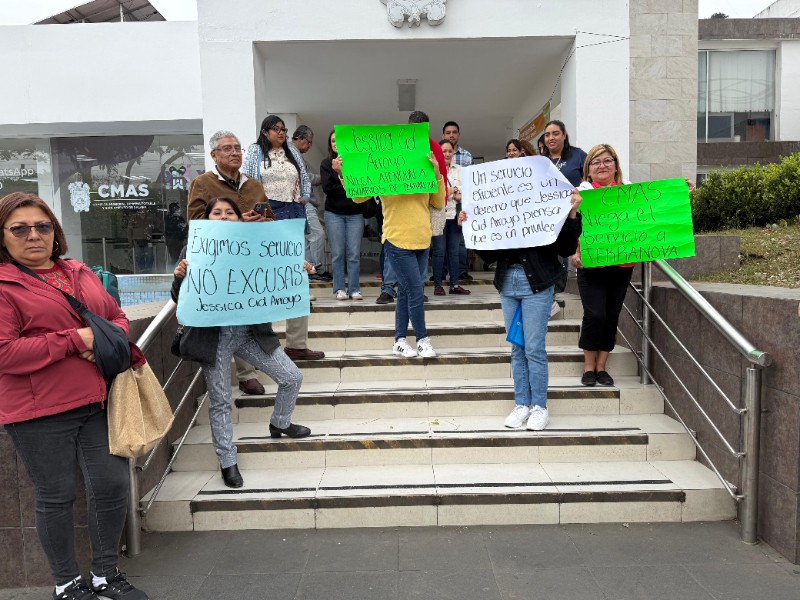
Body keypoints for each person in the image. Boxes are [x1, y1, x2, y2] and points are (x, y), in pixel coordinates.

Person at [0, 192, 150, 600]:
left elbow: (117, 317)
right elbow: (5, 352)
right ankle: (67, 583)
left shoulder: (79, 272)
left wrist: (105, 337)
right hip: (37, 411)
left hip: (96, 401)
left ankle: (105, 574)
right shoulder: (4, 284)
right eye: (20, 228)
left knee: (113, 485)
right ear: (4, 236)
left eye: (42, 226)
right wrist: (74, 340)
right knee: (56, 495)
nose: (33, 235)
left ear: (55, 232)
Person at [172, 197, 310, 488]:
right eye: (217, 213)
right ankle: (227, 461)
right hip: (214, 338)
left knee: (292, 376)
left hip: (250, 333)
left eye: (229, 212)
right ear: (207, 219)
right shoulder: (194, 249)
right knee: (221, 401)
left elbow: (275, 274)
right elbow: (180, 299)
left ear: (239, 217)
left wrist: (298, 269)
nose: (223, 217)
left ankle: (280, 422)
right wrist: (179, 278)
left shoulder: (255, 244)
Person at [571, 144, 695, 387]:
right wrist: (574, 251)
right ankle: (588, 367)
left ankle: (601, 367)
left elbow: (656, 210)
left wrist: (679, 191)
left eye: (607, 161)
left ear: (616, 165)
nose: (602, 166)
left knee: (611, 315)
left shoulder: (629, 191)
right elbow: (572, 228)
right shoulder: (580, 193)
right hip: (590, 266)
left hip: (622, 266)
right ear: (588, 169)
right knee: (594, 315)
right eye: (596, 162)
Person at [459, 189, 583, 431]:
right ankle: (521, 404)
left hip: (537, 283)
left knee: (534, 347)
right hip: (508, 282)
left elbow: (566, 248)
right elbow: (488, 254)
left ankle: (539, 406)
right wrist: (469, 226)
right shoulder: (503, 212)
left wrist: (572, 213)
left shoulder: (543, 209)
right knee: (518, 346)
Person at [346, 134, 446, 358]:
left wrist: (437, 174)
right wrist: (344, 172)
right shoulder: (384, 172)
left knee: (405, 292)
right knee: (416, 290)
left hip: (421, 240)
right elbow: (358, 198)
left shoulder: (423, 168)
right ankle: (422, 339)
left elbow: (438, 203)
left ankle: (400, 340)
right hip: (396, 240)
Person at [240, 118, 326, 363]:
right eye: (276, 129)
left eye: (283, 129)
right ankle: (259, 342)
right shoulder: (256, 150)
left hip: (293, 210)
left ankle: (297, 344)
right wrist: (257, 212)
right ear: (265, 131)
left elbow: (305, 177)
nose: (281, 133)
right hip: (267, 210)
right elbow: (248, 180)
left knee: (296, 274)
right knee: (265, 276)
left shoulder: (291, 151)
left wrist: (305, 197)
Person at [320, 130, 365, 301]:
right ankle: (339, 288)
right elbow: (328, 189)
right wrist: (346, 184)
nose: (335, 143)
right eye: (332, 141)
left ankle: (354, 288)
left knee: (353, 253)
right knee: (338, 253)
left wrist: (344, 182)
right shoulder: (326, 164)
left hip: (355, 214)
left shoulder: (355, 162)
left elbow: (360, 187)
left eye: (338, 140)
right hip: (334, 214)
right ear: (329, 144)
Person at [291, 125, 331, 282]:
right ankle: (316, 268)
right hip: (303, 201)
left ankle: (310, 270)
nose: (309, 146)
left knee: (307, 238)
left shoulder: (292, 152)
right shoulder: (292, 152)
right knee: (317, 234)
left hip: (300, 202)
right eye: (309, 142)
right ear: (300, 139)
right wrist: (320, 178)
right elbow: (303, 176)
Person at [431, 139, 469, 296]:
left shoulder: (460, 170)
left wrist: (450, 191)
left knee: (454, 251)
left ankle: (454, 284)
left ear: (454, 153)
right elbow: (434, 192)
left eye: (449, 151)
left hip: (455, 216)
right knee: (439, 251)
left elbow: (464, 193)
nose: (447, 154)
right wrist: (452, 191)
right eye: (444, 151)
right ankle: (438, 285)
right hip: (439, 215)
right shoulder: (433, 168)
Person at [442, 120, 472, 283]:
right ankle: (441, 273)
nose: (451, 135)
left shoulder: (466, 156)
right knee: (441, 246)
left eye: (454, 132)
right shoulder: (436, 158)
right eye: (448, 132)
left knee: (460, 241)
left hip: (461, 203)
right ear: (443, 135)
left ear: (458, 135)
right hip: (442, 207)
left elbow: (468, 182)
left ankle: (461, 272)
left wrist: (455, 192)